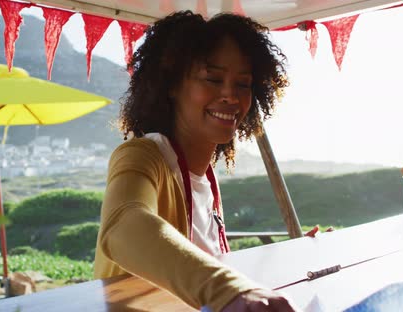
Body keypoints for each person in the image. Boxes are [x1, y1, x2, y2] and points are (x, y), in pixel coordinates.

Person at [93, 10, 298, 312]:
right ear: (172, 84)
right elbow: (123, 226)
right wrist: (227, 290)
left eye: (243, 84)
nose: (230, 94)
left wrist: (300, 252)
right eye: (213, 79)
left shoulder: (205, 178)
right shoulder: (143, 154)